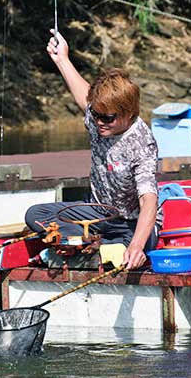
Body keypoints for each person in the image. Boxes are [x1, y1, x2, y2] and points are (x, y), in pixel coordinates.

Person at [24, 29, 162, 270]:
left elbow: (149, 200)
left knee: (129, 252)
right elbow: (83, 97)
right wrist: (62, 59)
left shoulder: (142, 143)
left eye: (107, 118)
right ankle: (87, 245)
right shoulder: (100, 118)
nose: (99, 122)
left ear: (129, 113)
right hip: (96, 214)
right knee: (36, 214)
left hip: (129, 222)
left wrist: (137, 246)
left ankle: (100, 250)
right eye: (96, 116)